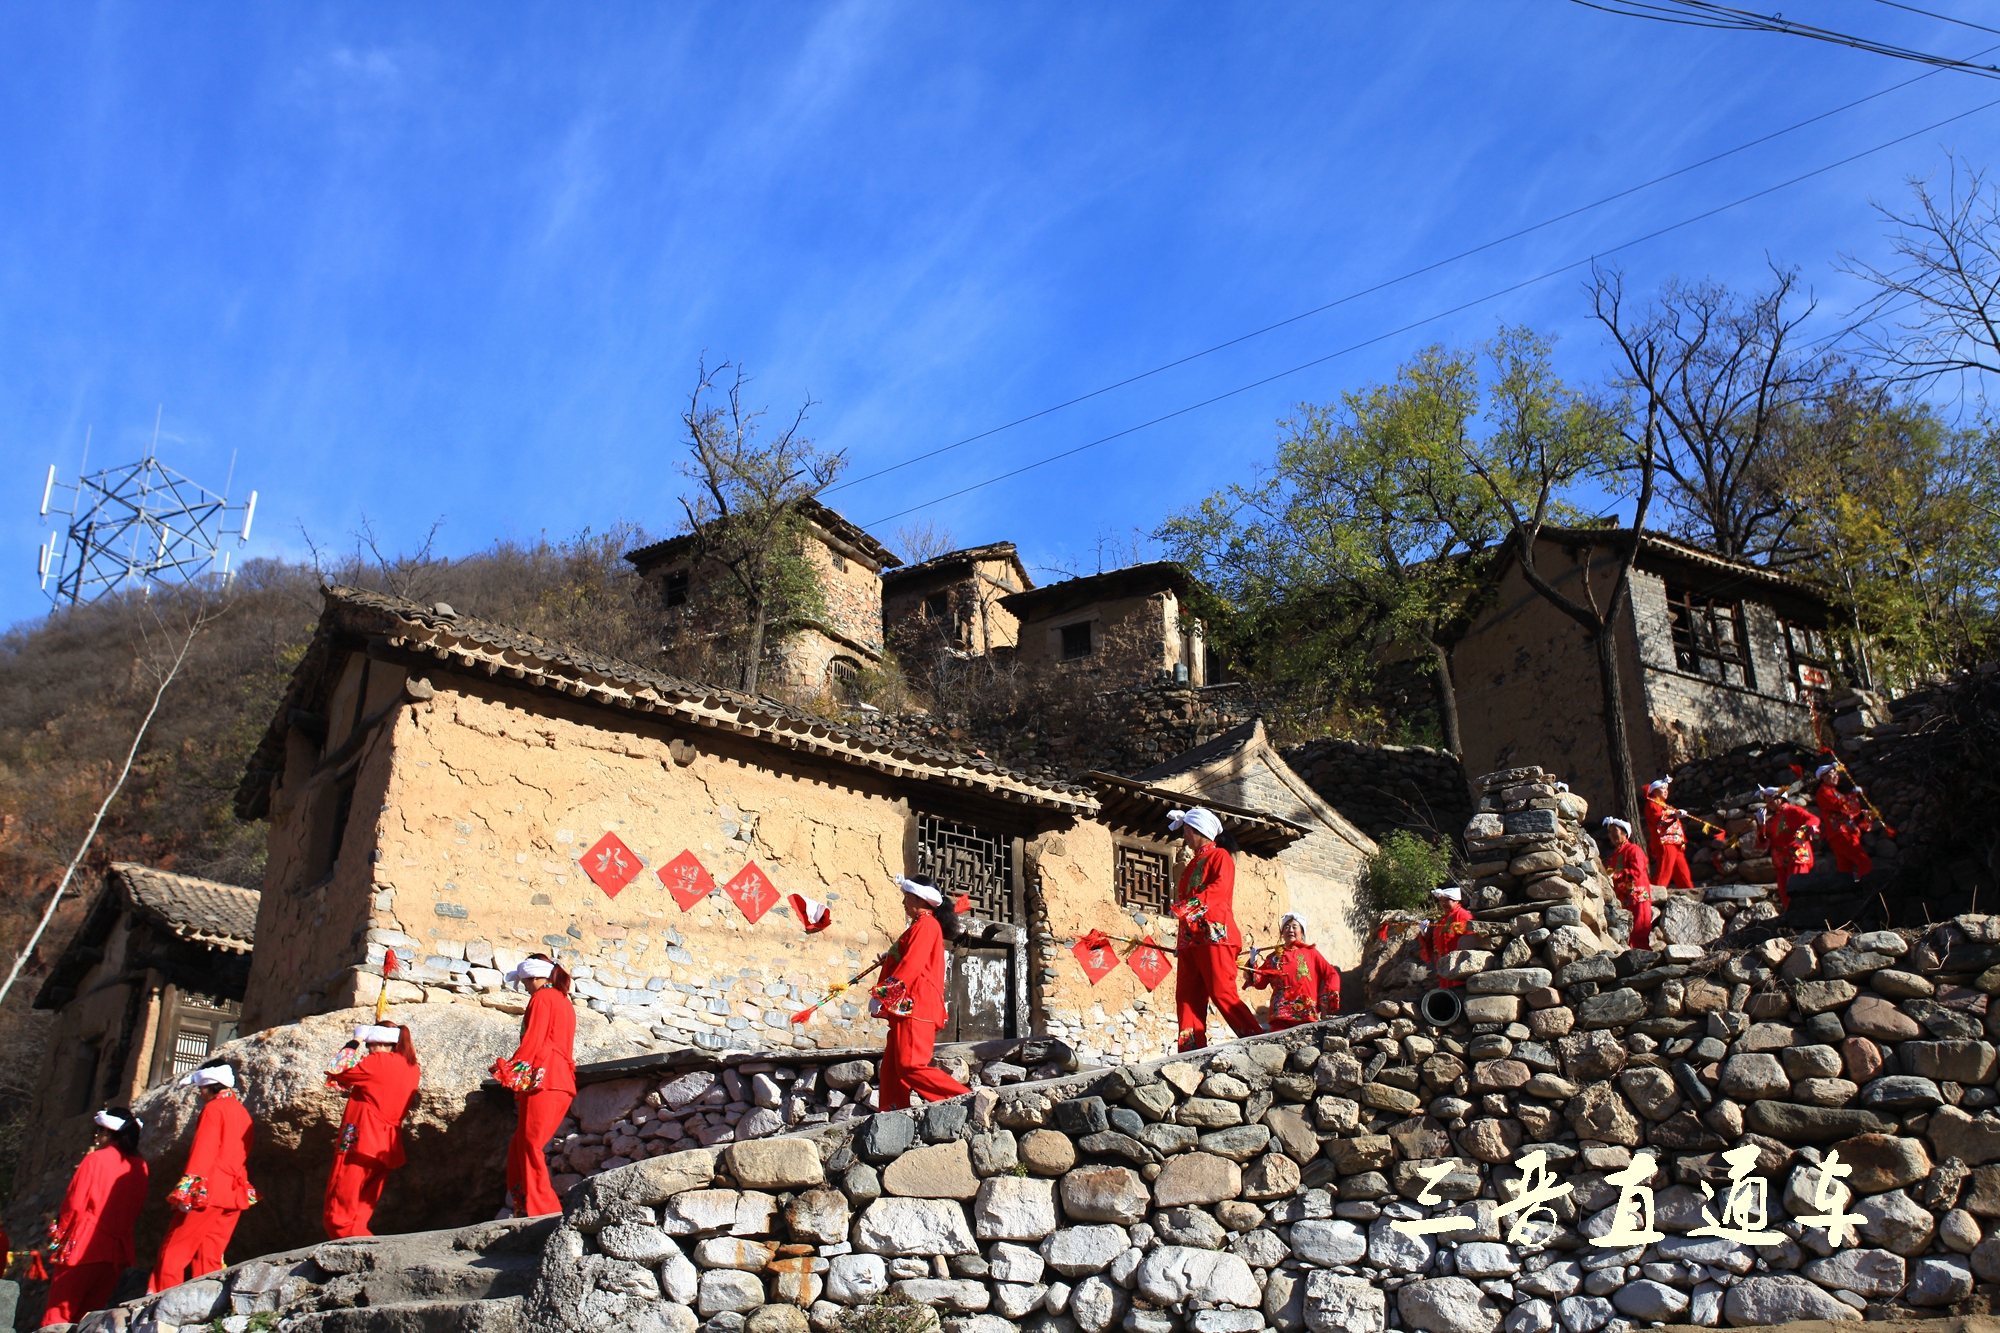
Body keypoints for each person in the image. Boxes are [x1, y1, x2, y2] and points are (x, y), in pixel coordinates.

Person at [149, 1065, 256, 1292]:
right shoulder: (242, 1112)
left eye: (201, 1089)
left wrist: (187, 1191)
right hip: (234, 1192)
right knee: (210, 1257)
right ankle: (206, 1308)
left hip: (208, 1190)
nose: (200, 1094)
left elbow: (203, 1151)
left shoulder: (214, 1109)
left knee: (174, 1252)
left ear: (209, 1087)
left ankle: (161, 1304)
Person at [872, 876, 975, 1109]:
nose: (904, 902)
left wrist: (883, 994)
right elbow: (906, 961)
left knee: (910, 1065)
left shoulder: (926, 926)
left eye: (907, 896)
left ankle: (965, 1099)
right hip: (907, 1003)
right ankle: (892, 1111)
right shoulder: (920, 926)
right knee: (893, 1067)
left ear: (920, 899)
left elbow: (912, 964)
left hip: (916, 1003)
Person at [1167, 808, 1264, 1051]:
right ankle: (1189, 1050)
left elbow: (1218, 890)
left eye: (1187, 831)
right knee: (1187, 998)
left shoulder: (1220, 857)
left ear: (1198, 831)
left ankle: (1256, 1040)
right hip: (1191, 940)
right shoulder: (1193, 864)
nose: (1185, 836)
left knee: (1222, 992)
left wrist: (1184, 909)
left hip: (1215, 936)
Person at [43, 1109, 148, 1325]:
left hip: (83, 1245)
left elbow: (74, 1204)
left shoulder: (95, 1159)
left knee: (58, 1312)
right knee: (90, 1316)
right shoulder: (140, 1166)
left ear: (109, 1133)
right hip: (116, 1252)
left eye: (99, 1131)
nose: (96, 1136)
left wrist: (59, 1235)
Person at [494, 955, 577, 1219]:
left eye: (525, 982)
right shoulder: (563, 1001)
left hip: (546, 1078)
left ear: (534, 977)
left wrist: (511, 1069)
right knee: (521, 1146)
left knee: (530, 1145)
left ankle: (543, 1210)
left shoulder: (543, 998)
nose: (525, 987)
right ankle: (526, 1206)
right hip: (556, 1078)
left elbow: (534, 1039)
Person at [323, 1023, 422, 1238]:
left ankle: (348, 1245)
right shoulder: (413, 1067)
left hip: (360, 1138)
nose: (368, 1051)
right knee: (362, 1207)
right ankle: (361, 1240)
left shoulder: (378, 1061)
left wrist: (355, 1041)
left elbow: (337, 1069)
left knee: (339, 1207)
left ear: (380, 1043)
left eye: (370, 1045)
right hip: (387, 1145)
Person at [1245, 911, 1341, 1028]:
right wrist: (1252, 961)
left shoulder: (1312, 953)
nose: (1290, 930)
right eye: (1286, 927)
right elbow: (1260, 983)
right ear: (1282, 933)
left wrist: (1325, 997)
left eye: (1294, 927)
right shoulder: (1274, 957)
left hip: (1307, 1014)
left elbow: (1331, 974)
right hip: (1280, 1015)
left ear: (1302, 933)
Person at [1758, 785, 1820, 913]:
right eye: (1766, 799)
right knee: (1784, 893)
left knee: (1797, 888)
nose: (1768, 802)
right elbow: (1762, 841)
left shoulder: (1794, 811)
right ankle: (1792, 920)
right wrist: (1761, 824)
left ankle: (1803, 916)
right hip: (1780, 861)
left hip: (1797, 856)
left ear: (1781, 798)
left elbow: (1813, 820)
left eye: (1771, 798)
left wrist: (1802, 833)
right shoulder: (1770, 821)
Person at [1814, 764, 1875, 881]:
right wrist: (1852, 794)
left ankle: (1846, 895)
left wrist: (1864, 815)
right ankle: (1869, 887)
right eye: (1831, 773)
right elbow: (1837, 806)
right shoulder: (1823, 792)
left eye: (1836, 773)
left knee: (1845, 869)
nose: (1835, 776)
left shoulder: (1837, 793)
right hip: (1841, 833)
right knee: (1863, 860)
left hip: (1846, 833)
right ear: (1822, 777)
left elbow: (1851, 814)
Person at [1603, 818, 1654, 949]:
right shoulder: (1611, 858)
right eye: (1610, 832)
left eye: (1615, 831)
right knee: (1627, 934)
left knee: (1639, 930)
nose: (1612, 835)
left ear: (1625, 833)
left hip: (1638, 897)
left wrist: (1616, 875)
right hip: (1622, 900)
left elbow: (1637, 871)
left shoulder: (1634, 850)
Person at [1644, 778, 1694, 892]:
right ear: (1654, 790)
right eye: (1662, 788)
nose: (1666, 791)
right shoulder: (1651, 804)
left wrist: (1675, 813)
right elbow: (1659, 819)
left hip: (1675, 842)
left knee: (1683, 872)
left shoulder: (1665, 806)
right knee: (1664, 872)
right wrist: (1675, 814)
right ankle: (1654, 895)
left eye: (1667, 789)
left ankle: (1690, 893)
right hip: (1665, 842)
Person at [1417, 886, 1474, 985]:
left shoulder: (1462, 915)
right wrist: (1424, 932)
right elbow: (1436, 942)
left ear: (1456, 901)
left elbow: (1470, 938)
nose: (1443, 903)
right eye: (1441, 900)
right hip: (1445, 966)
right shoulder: (1444, 918)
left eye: (1447, 900)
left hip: (1457, 965)